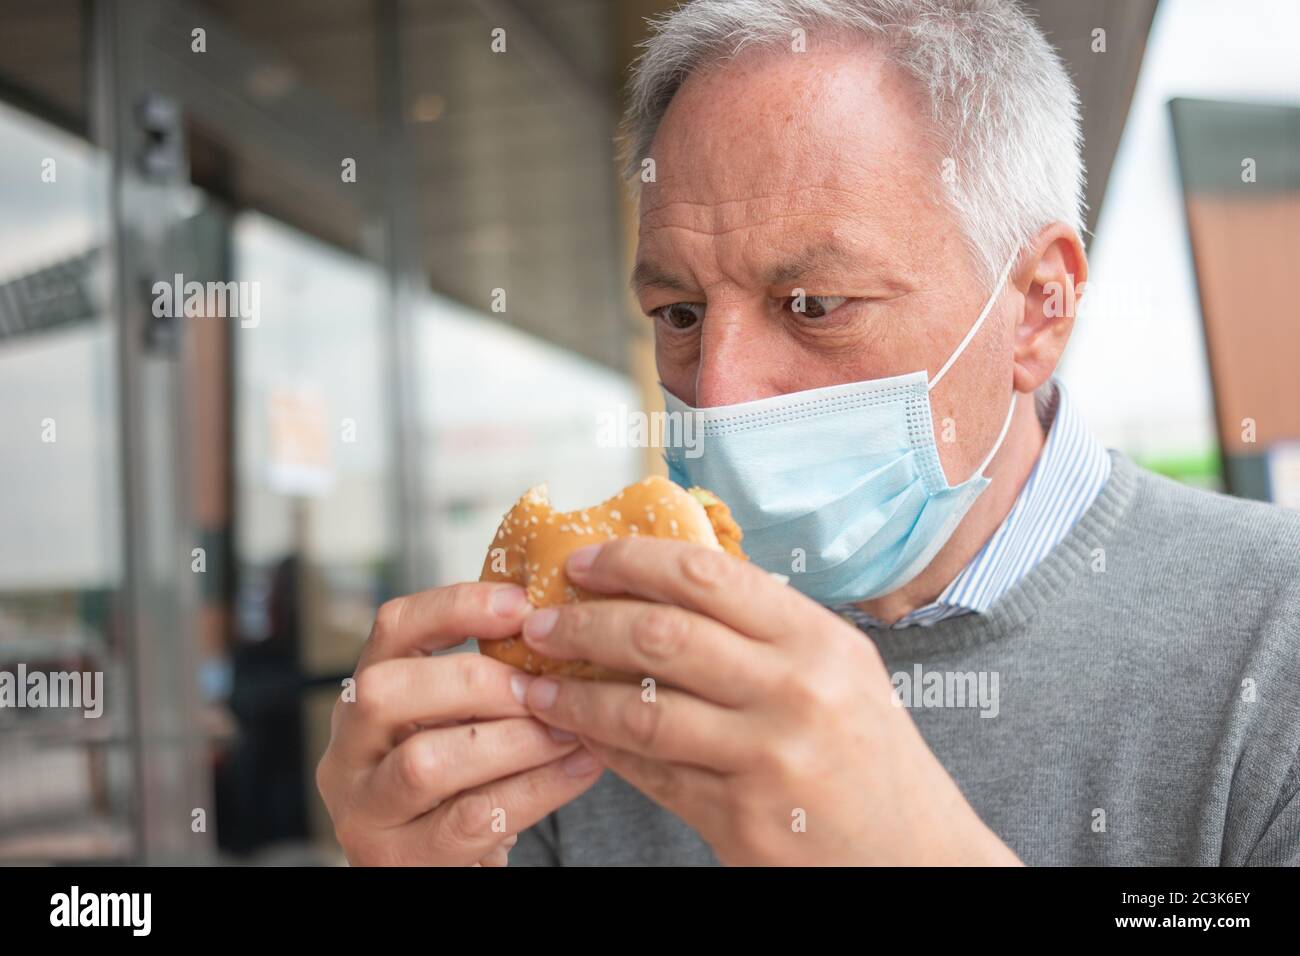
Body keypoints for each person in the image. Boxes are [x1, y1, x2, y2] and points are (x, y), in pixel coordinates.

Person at [316, 0, 1300, 866]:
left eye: (814, 300)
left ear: (1038, 307)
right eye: (679, 313)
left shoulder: (1276, 636)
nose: (722, 392)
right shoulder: (600, 663)